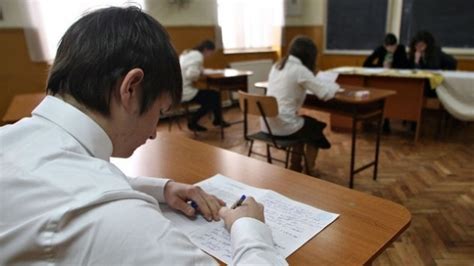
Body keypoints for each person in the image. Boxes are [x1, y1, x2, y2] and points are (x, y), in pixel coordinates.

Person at [0, 7, 286, 265]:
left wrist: (163, 189)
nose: (152, 134)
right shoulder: (110, 215)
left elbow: (75, 176)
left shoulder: (13, 138)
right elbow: (92, 194)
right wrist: (249, 227)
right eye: (160, 112)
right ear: (131, 88)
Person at [264, 36, 340, 174]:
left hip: (267, 124)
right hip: (284, 126)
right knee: (314, 128)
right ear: (310, 56)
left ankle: (295, 166)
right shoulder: (301, 70)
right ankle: (309, 170)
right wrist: (335, 86)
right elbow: (326, 94)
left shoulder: (277, 65)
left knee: (305, 126)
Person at [180, 40, 230, 132]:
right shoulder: (198, 56)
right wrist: (199, 75)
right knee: (214, 97)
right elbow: (191, 74)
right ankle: (193, 122)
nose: (210, 56)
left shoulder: (189, 54)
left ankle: (217, 120)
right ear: (207, 50)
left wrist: (217, 71)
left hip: (179, 90)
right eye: (211, 53)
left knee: (213, 95)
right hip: (185, 92)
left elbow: (201, 70)